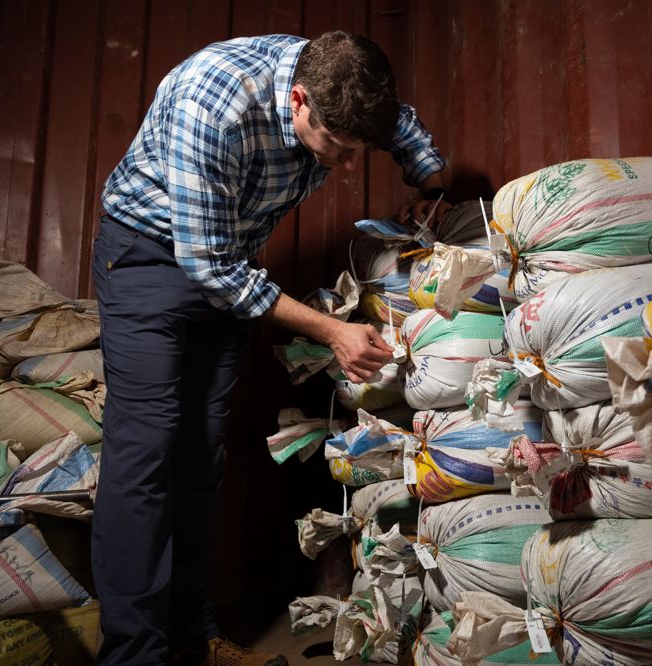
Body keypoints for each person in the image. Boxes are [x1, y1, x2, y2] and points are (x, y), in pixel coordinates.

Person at [91, 31, 447, 665]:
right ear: (298, 98)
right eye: (335, 146)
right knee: (144, 459)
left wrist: (430, 184)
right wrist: (333, 330)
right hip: (149, 259)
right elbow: (210, 267)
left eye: (357, 149)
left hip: (227, 272)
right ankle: (134, 656)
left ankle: (191, 638)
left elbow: (405, 128)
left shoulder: (347, 84)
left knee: (201, 461)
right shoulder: (216, 101)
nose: (343, 165)